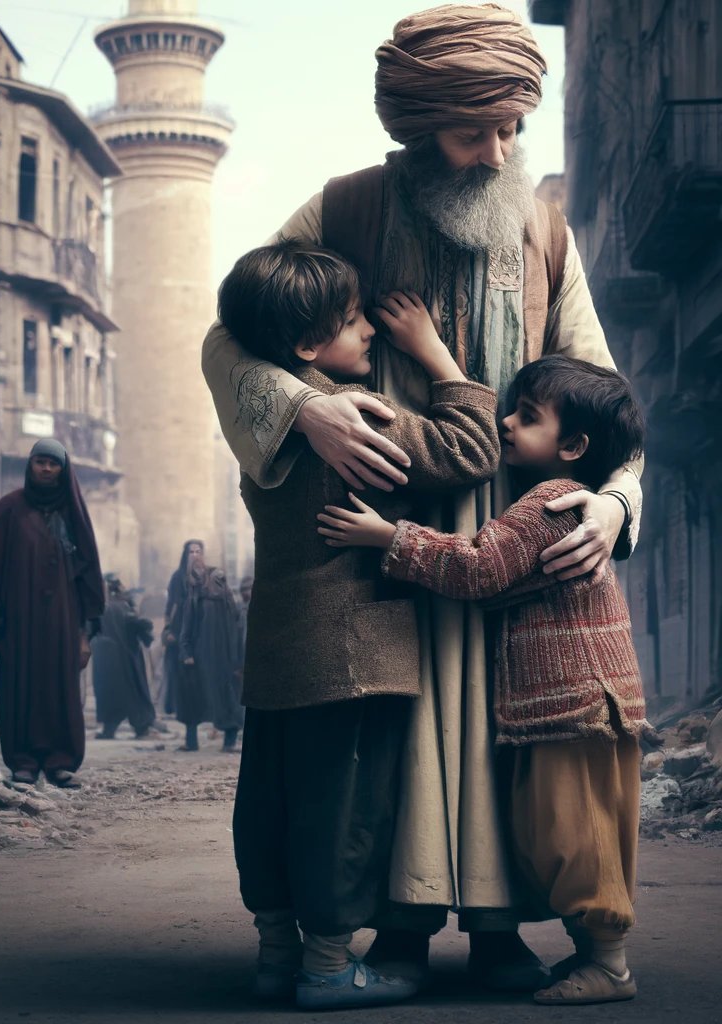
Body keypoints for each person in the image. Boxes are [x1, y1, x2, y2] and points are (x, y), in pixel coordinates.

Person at [201, 2, 643, 991]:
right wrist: (301, 410)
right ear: (413, 128)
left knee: (500, 739)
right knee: (382, 741)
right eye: (469, 129)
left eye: (510, 128)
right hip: (379, 535)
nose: (494, 151)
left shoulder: (540, 228)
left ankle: (496, 930)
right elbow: (233, 328)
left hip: (510, 539)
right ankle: (389, 932)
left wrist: (613, 502)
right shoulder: (345, 209)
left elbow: (602, 390)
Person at [219, 239, 501, 1008]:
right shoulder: (358, 418)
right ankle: (328, 968)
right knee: (341, 810)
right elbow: (472, 449)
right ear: (309, 346)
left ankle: (277, 956)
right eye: (352, 321)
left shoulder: (264, 425)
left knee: (270, 804)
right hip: (354, 653)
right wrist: (438, 359)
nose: (370, 330)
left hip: (278, 647)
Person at [318, 354, 648, 1006]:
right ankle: (599, 955)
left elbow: (478, 566)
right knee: (591, 834)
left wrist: (387, 536)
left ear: (573, 447)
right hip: (594, 701)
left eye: (527, 418)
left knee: (572, 837)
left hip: (570, 706)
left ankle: (609, 965)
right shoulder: (566, 504)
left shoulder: (550, 500)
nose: (504, 423)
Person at [0, 440, 104, 788]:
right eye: (40, 462)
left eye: (53, 463)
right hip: (19, 623)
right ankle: (23, 763)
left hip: (63, 621)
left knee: (61, 689)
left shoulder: (72, 514)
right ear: (30, 466)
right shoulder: (9, 510)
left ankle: (61, 762)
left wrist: (84, 632)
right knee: (20, 689)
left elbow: (88, 573)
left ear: (63, 470)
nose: (46, 469)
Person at [177, 552, 243, 753]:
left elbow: (237, 623)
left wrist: (238, 657)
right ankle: (191, 741)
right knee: (194, 697)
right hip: (201, 654)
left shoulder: (227, 598)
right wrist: (186, 651)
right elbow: (187, 625)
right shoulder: (196, 594)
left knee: (227, 697)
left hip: (224, 655)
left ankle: (229, 741)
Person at [92, 573, 157, 740]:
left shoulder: (99, 609)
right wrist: (146, 632)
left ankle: (109, 729)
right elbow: (139, 627)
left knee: (110, 696)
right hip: (126, 660)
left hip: (107, 662)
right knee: (133, 694)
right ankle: (141, 728)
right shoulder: (123, 607)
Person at [161, 539, 204, 715]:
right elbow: (170, 606)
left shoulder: (207, 577)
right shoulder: (177, 577)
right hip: (179, 630)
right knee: (177, 671)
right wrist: (168, 630)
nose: (194, 555)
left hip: (200, 630)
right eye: (191, 552)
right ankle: (177, 708)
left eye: (197, 551)